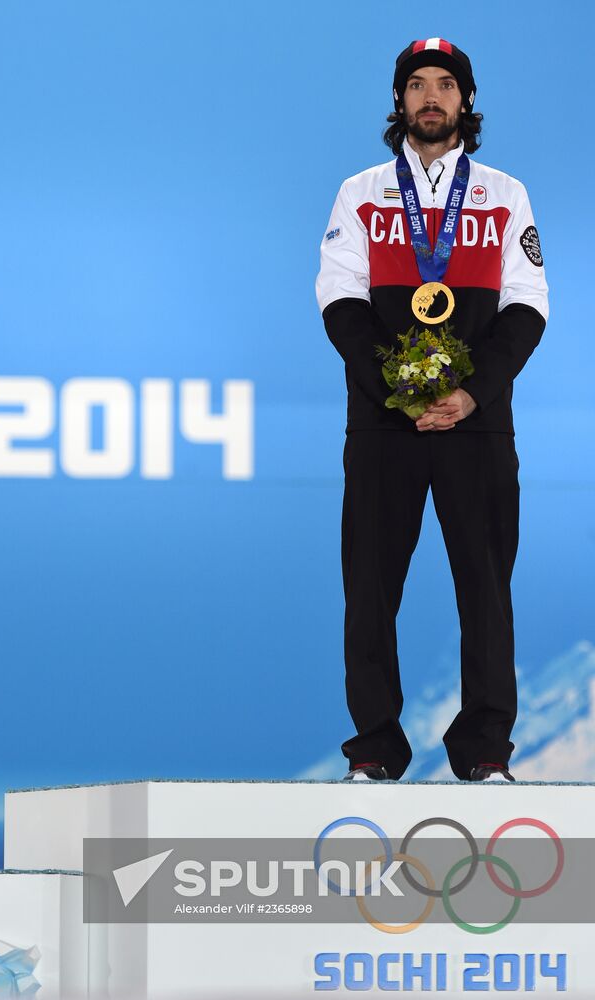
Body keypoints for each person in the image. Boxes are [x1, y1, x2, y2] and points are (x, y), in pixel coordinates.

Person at [315, 38, 549, 784]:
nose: (430, 97)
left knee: (485, 585)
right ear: (398, 102)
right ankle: (376, 749)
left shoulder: (506, 195)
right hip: (385, 424)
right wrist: (398, 391)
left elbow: (528, 307)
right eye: (416, 85)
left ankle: (484, 750)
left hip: (476, 423)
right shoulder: (360, 192)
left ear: (466, 102)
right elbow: (341, 299)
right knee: (371, 587)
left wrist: (469, 391)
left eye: (445, 85)